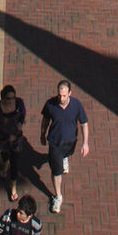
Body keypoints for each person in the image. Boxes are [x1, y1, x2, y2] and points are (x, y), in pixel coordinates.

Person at [40, 80, 89, 213]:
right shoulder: (51, 104)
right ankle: (58, 196)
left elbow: (84, 123)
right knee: (57, 171)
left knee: (67, 154)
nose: (61, 98)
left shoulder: (76, 105)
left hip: (70, 142)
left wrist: (85, 143)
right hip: (55, 143)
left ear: (70, 94)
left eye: (64, 96)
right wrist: (42, 134)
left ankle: (64, 158)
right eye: (59, 95)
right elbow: (45, 120)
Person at [0, 85, 26, 200]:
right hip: (3, 138)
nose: (11, 101)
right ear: (3, 98)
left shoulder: (18, 103)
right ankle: (4, 167)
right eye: (9, 98)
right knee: (5, 155)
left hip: (16, 138)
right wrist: (6, 136)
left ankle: (13, 187)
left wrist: (20, 122)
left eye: (13, 98)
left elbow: (23, 112)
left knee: (15, 162)